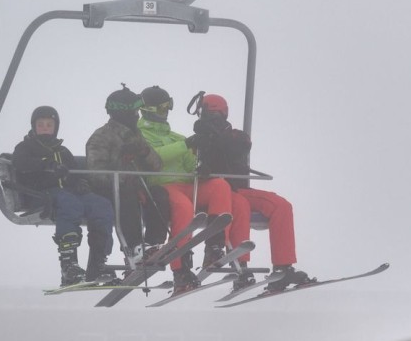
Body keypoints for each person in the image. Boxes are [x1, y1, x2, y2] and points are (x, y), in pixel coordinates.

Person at [187, 92, 311, 287]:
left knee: (281, 205)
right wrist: (202, 143)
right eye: (209, 116)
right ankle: (240, 265)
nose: (212, 120)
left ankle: (283, 267)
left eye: (215, 116)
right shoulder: (197, 142)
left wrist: (214, 135)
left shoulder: (234, 136)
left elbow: (242, 145)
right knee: (240, 205)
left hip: (238, 188)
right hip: (217, 192)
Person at [136, 85, 246, 288]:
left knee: (219, 186)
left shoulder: (176, 137)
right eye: (162, 108)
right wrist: (186, 145)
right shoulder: (139, 135)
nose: (166, 112)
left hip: (187, 184)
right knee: (184, 208)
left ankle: (214, 246)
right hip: (163, 185)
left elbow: (188, 164)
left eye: (168, 106)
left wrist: (201, 166)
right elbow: (156, 157)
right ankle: (181, 269)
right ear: (148, 110)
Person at [11, 105, 115, 286]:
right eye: (41, 124)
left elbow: (74, 174)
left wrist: (81, 183)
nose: (45, 128)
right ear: (34, 126)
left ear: (55, 127)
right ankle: (69, 266)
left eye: (49, 125)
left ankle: (97, 264)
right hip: (40, 193)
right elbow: (20, 162)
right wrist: (46, 165)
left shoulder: (62, 151)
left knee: (101, 205)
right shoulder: (26, 147)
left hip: (67, 193)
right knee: (70, 204)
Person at [85, 86, 170, 260]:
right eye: (133, 111)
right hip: (110, 191)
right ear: (120, 113)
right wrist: (122, 164)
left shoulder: (136, 135)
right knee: (127, 195)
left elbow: (157, 166)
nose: (136, 115)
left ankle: (153, 243)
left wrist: (144, 152)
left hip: (136, 187)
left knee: (159, 194)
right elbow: (96, 174)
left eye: (137, 111)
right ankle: (133, 247)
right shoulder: (101, 136)